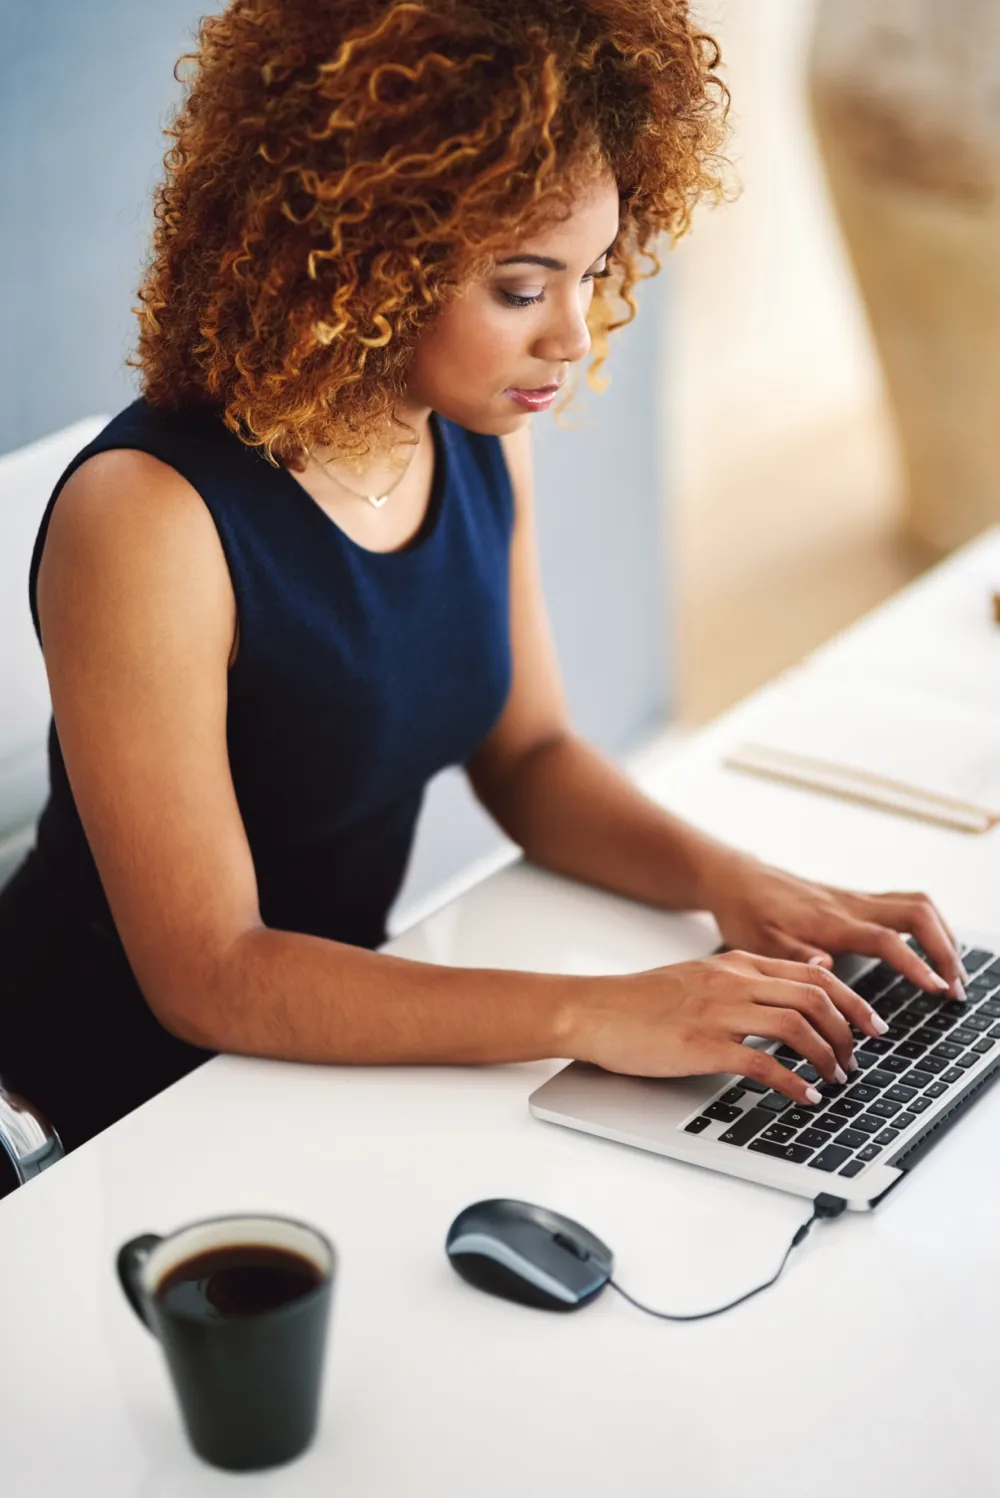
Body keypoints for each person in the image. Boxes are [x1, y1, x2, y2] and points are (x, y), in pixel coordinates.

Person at [0, 0, 966, 1160]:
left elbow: (531, 757)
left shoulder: (469, 428)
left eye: (592, 270)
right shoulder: (148, 519)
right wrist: (595, 1010)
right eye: (521, 287)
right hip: (113, 1114)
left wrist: (737, 884)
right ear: (363, 252)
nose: (572, 334)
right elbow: (212, 975)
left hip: (330, 1061)